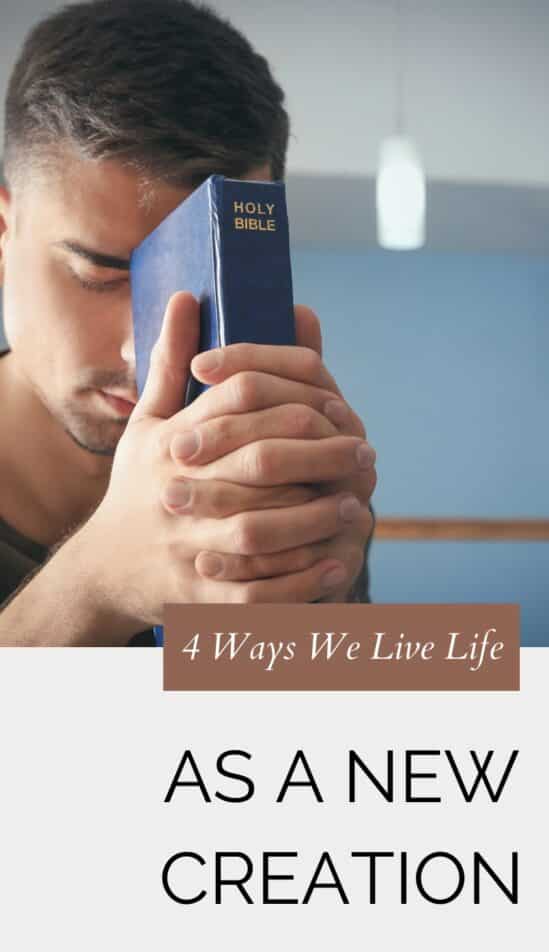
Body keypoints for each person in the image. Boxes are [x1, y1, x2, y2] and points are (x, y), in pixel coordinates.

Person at [0, 0, 376, 645]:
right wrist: (93, 586)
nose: (138, 350)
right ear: (4, 232)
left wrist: (323, 614)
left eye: (189, 293)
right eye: (98, 274)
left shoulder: (270, 476)